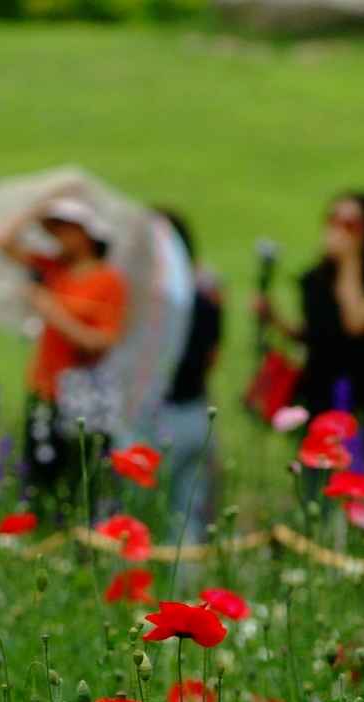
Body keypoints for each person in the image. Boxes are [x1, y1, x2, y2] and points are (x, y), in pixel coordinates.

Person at [0, 194, 128, 518]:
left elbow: (100, 342)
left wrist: (51, 311)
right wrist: (40, 206)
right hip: (44, 389)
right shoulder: (54, 269)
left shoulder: (107, 281)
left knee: (80, 483)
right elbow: (2, 240)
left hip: (83, 396)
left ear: (86, 233)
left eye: (64, 228)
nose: (56, 237)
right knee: (39, 479)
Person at [255, 192, 364, 470]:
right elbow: (313, 335)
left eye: (350, 225)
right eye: (333, 221)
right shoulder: (315, 278)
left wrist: (350, 261)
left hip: (359, 398)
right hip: (316, 394)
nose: (338, 231)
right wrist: (275, 320)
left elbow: (355, 322)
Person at [154, 208, 223, 545]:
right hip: (197, 409)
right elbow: (213, 355)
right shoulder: (208, 292)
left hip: (157, 415)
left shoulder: (149, 298)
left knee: (143, 515)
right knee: (188, 521)